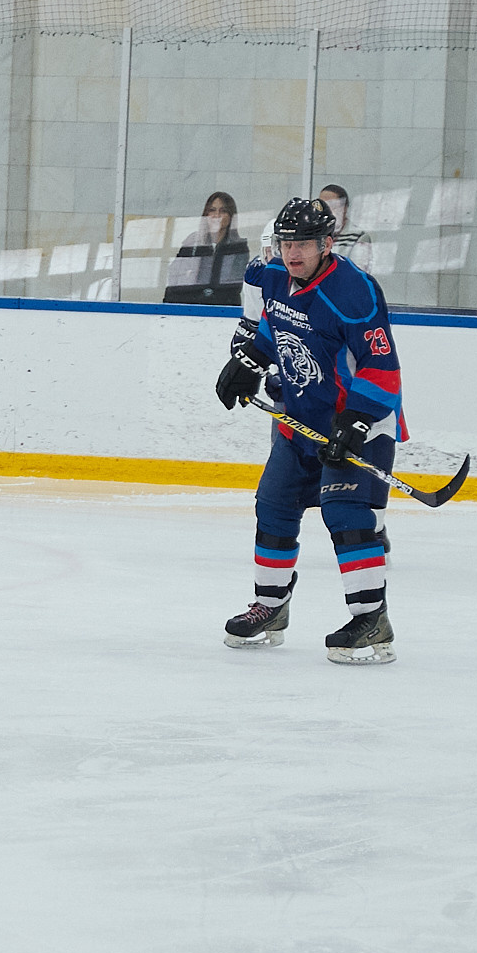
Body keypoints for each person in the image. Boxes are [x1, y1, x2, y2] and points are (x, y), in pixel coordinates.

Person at [211, 197, 404, 664]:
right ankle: (270, 608)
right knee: (273, 506)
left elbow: (381, 363)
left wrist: (356, 419)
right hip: (299, 423)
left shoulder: (354, 289)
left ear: (327, 244)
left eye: (302, 244)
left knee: (346, 512)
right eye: (285, 243)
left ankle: (370, 619)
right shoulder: (276, 277)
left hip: (360, 426)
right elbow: (272, 332)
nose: (292, 253)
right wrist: (248, 363)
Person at [162, 192, 249, 305]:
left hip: (223, 308)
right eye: (212, 210)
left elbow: (234, 285)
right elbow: (176, 276)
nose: (216, 215)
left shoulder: (238, 246)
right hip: (189, 305)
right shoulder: (192, 242)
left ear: (231, 216)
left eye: (223, 211)